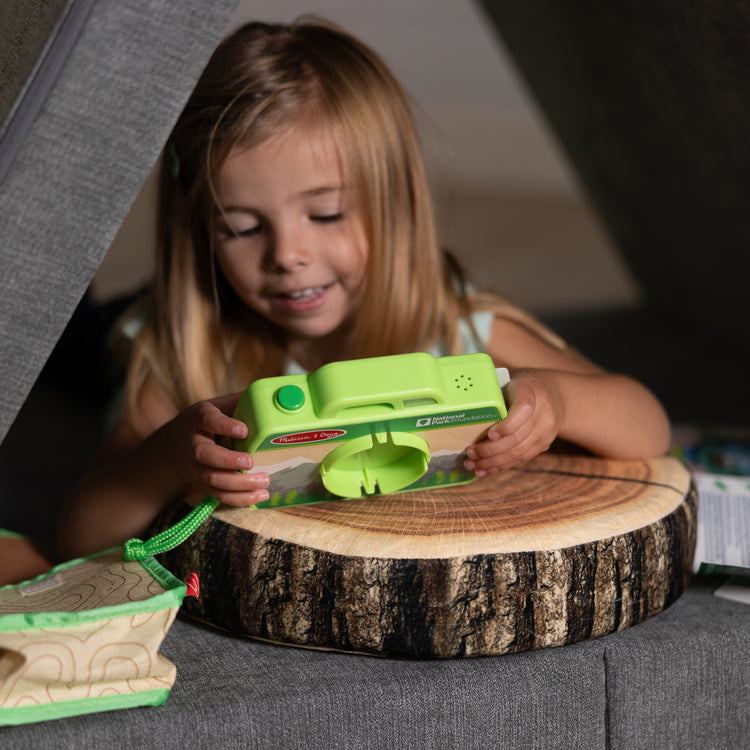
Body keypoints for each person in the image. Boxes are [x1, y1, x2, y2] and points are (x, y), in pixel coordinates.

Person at [57, 19, 671, 560]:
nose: (288, 257)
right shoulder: (179, 350)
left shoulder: (459, 332)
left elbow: (650, 429)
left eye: (325, 215)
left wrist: (556, 400)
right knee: (68, 360)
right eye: (242, 228)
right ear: (199, 236)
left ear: (395, 208)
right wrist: (169, 457)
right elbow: (80, 536)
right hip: (163, 328)